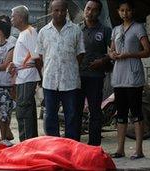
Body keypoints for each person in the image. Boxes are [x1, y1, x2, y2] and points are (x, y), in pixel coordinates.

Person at [108, 0, 150, 160]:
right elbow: (112, 50)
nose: (125, 13)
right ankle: (120, 149)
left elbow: (148, 51)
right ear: (118, 12)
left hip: (133, 76)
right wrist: (112, 54)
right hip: (119, 76)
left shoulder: (138, 28)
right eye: (122, 10)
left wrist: (129, 54)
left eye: (127, 10)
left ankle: (139, 150)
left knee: (136, 113)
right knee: (120, 114)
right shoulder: (116, 30)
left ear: (132, 11)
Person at [35, 0, 85, 141]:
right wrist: (43, 75)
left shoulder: (76, 30)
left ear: (66, 10)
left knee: (72, 115)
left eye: (62, 10)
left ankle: (72, 146)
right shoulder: (44, 32)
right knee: (50, 115)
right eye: (56, 10)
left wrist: (70, 67)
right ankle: (53, 146)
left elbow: (81, 54)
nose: (59, 13)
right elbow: (39, 57)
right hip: (50, 81)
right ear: (51, 11)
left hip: (70, 81)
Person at [78, 0, 112, 145]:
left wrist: (103, 61)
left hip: (95, 77)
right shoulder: (76, 29)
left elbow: (114, 52)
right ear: (84, 9)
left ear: (99, 12)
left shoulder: (105, 30)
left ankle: (94, 146)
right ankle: (75, 145)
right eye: (88, 8)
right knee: (75, 112)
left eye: (94, 10)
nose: (90, 12)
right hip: (77, 77)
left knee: (95, 112)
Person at [9, 5, 41, 142]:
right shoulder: (23, 33)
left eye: (13, 16)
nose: (11, 19)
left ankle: (28, 142)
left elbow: (37, 56)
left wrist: (41, 77)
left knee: (24, 110)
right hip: (22, 76)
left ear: (20, 18)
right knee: (23, 110)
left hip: (28, 76)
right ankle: (27, 142)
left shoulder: (30, 32)